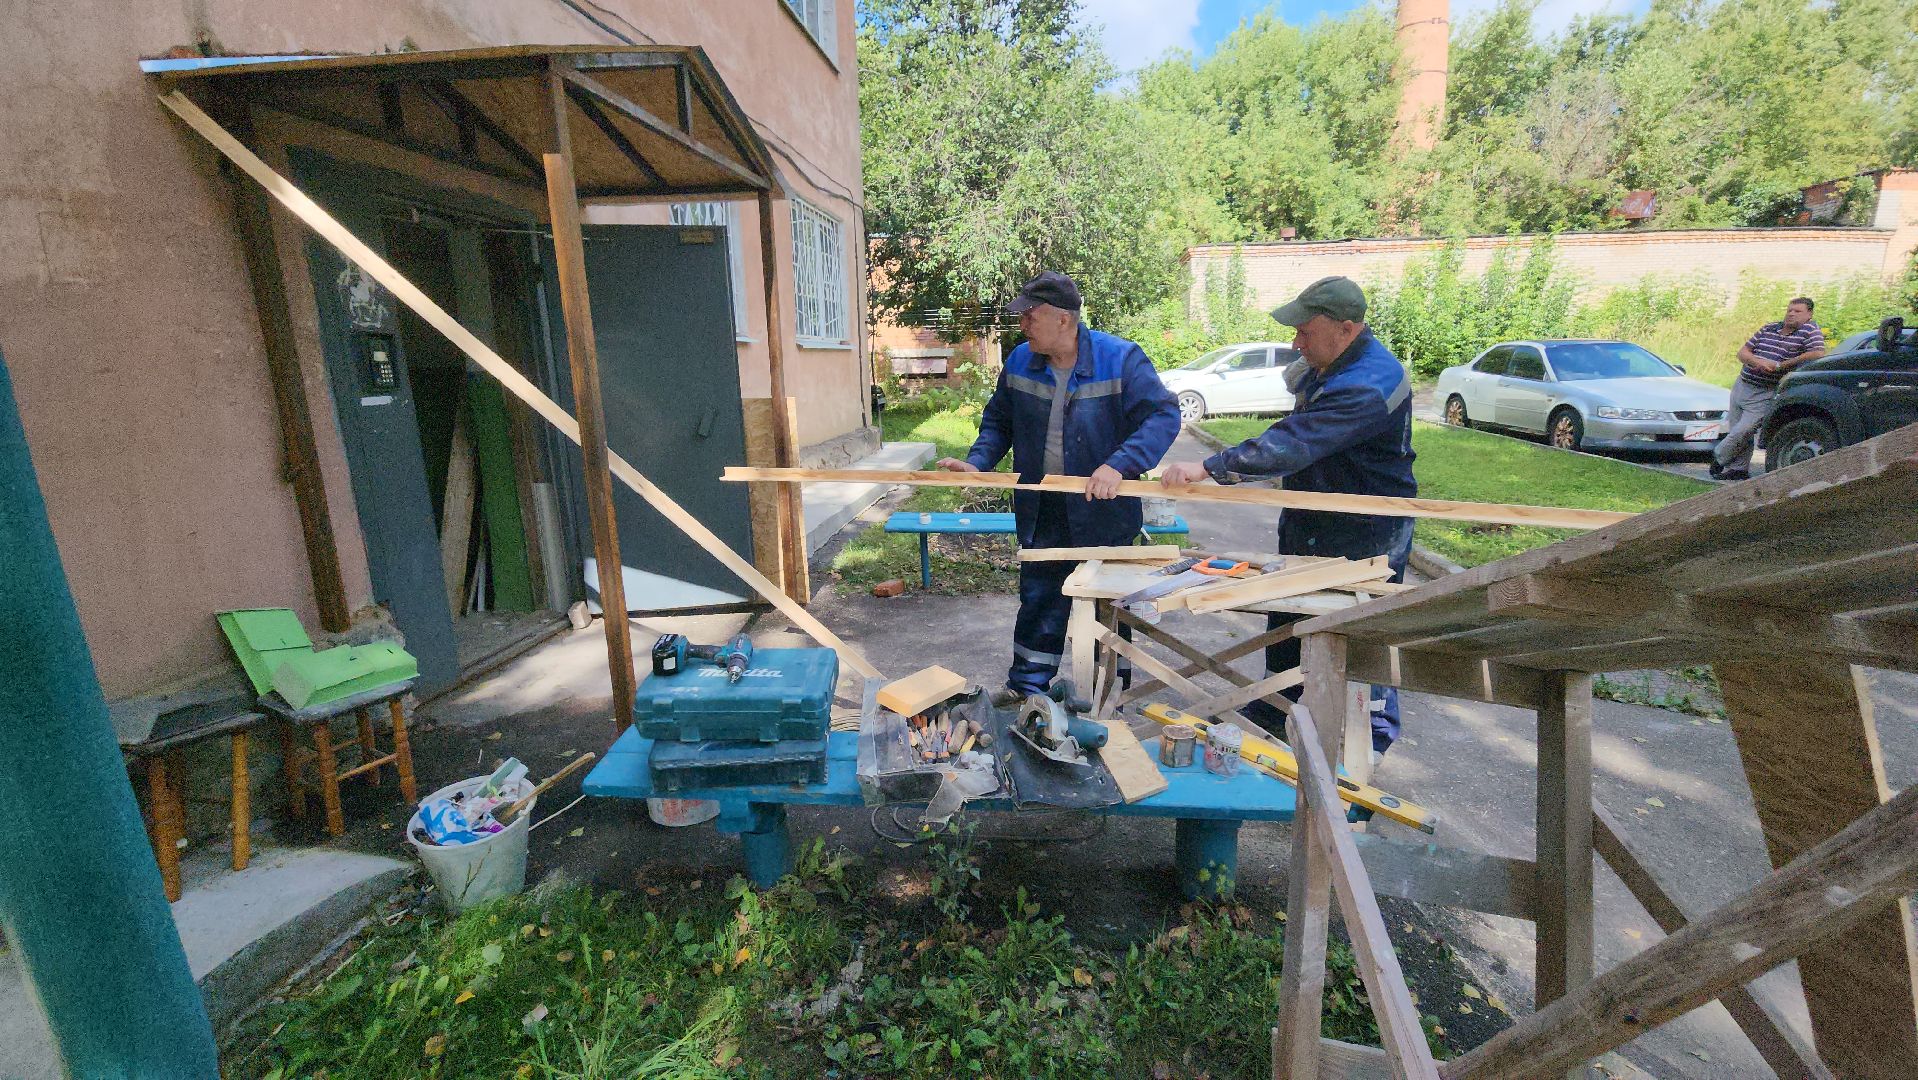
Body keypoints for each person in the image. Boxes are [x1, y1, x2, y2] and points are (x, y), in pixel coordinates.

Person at [1158, 276, 1416, 759]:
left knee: (1360, 628)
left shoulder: (1367, 383)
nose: (1295, 342)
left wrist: (1210, 466)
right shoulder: (1337, 362)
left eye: (1305, 331)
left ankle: (1368, 740)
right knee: (1290, 615)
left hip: (1365, 528)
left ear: (1345, 329)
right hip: (1314, 513)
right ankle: (1275, 707)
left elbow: (1292, 441)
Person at [938, 270, 1180, 701]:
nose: (1022, 325)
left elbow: (1162, 416)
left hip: (1105, 509)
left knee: (1107, 605)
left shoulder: (1121, 359)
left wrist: (1119, 465)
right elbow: (999, 421)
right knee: (1040, 599)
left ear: (1062, 320)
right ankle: (1027, 691)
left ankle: (1107, 696)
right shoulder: (1019, 361)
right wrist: (977, 462)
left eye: (1030, 316)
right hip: (1042, 505)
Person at [1711, 297, 1825, 481]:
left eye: (1797, 311)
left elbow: (1818, 353)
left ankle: (1718, 455)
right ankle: (1738, 469)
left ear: (1809, 314)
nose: (1791, 314)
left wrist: (1781, 365)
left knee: (1743, 429)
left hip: (1766, 390)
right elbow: (1742, 353)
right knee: (1737, 429)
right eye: (1789, 310)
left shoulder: (1809, 330)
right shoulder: (1770, 327)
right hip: (1743, 383)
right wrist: (1757, 362)